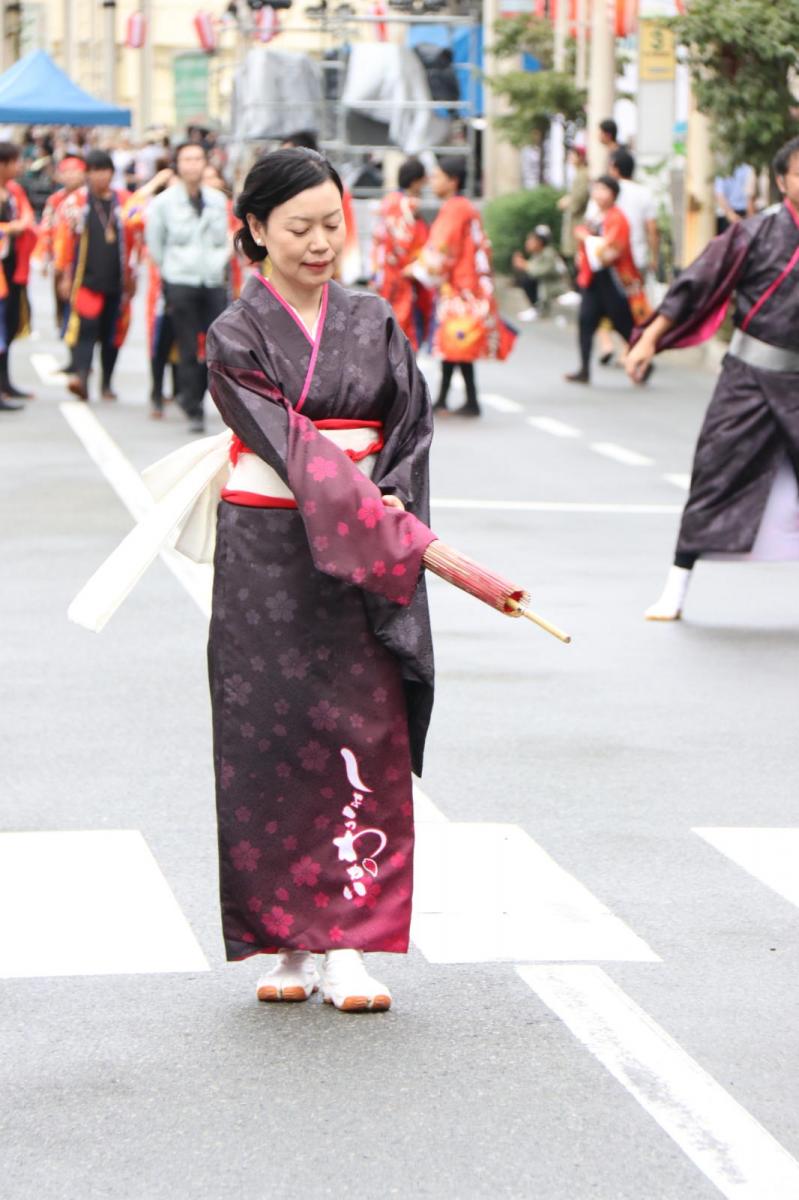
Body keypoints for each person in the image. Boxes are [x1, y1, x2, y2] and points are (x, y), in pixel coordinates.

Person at [205, 147, 436, 1011]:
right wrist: (368, 516)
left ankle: (348, 942)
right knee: (268, 730)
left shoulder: (373, 318)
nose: (318, 243)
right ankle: (285, 939)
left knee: (358, 725)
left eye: (331, 224)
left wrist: (390, 509)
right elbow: (290, 446)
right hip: (268, 550)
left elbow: (409, 430)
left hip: (363, 546)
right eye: (297, 227)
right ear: (256, 230)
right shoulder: (235, 333)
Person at [626, 135, 799, 621]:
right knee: (714, 474)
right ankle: (676, 588)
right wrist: (647, 341)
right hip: (750, 377)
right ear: (782, 181)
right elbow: (695, 285)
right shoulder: (753, 233)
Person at [409, 156, 513, 417]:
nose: (433, 181)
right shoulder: (464, 206)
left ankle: (455, 399)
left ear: (452, 181)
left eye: (438, 176)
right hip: (469, 284)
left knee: (454, 341)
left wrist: (415, 269)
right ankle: (460, 399)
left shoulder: (455, 207)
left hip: (462, 287)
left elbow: (439, 248)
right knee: (456, 343)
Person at [145, 141, 230, 433]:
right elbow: (156, 246)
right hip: (180, 280)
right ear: (177, 165)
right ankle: (192, 405)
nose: (193, 165)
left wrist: (221, 261)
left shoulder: (218, 200)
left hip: (212, 280)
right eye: (187, 159)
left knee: (219, 344)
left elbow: (225, 237)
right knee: (187, 345)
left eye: (198, 159)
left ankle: (200, 396)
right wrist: (171, 271)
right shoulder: (163, 203)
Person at [55, 150, 134, 402]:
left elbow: (139, 236)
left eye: (105, 170)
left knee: (113, 334)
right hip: (86, 279)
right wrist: (65, 274)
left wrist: (134, 273)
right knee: (86, 329)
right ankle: (82, 378)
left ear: (112, 172)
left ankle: (107, 383)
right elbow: (65, 239)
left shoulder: (125, 201)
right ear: (87, 174)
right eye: (95, 170)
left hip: (117, 279)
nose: (100, 175)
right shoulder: (76, 202)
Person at [566, 174, 648, 384]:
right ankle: (584, 368)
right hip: (593, 280)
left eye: (604, 190)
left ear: (613, 194)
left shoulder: (617, 218)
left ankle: (644, 359)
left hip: (612, 279)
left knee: (624, 325)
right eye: (597, 189)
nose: (599, 194)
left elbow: (610, 252)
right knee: (585, 322)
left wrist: (587, 239)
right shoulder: (596, 217)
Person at [371, 156, 431, 350]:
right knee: (406, 329)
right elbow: (406, 242)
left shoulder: (388, 201)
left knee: (389, 324)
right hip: (403, 274)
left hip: (385, 272)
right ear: (416, 181)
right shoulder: (407, 205)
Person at [33, 155, 86, 350]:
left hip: (80, 260)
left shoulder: (86, 198)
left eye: (75, 171)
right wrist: (45, 257)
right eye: (66, 172)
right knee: (61, 304)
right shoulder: (55, 199)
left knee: (79, 308)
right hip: (59, 259)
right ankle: (69, 349)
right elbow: (46, 229)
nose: (70, 176)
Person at [0, 141, 38, 403]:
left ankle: (5, 382)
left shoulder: (13, 191)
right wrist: (12, 227)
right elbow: (19, 224)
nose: (19, 166)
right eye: (15, 161)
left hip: (14, 268)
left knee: (11, 324)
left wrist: (16, 226)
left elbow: (27, 219)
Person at [609, 148, 659, 276]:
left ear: (615, 168)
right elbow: (652, 229)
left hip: (611, 257)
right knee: (636, 295)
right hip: (638, 257)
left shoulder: (607, 192)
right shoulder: (644, 192)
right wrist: (654, 257)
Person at [511, 224, 569, 321]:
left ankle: (539, 309)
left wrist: (524, 265)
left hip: (556, 287)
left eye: (531, 240)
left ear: (539, 242)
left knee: (528, 280)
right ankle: (536, 308)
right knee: (526, 278)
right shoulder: (539, 253)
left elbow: (540, 271)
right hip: (547, 286)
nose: (528, 243)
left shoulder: (548, 253)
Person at [558, 145, 590, 267]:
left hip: (579, 223)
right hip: (576, 222)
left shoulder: (582, 175)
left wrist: (567, 202)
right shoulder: (579, 174)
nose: (570, 158)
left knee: (578, 260)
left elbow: (577, 201)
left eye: (573, 155)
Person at [714, 163, 756, 235]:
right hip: (732, 215)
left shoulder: (722, 169)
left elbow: (719, 194)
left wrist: (731, 215)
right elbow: (750, 198)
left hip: (728, 215)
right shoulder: (748, 169)